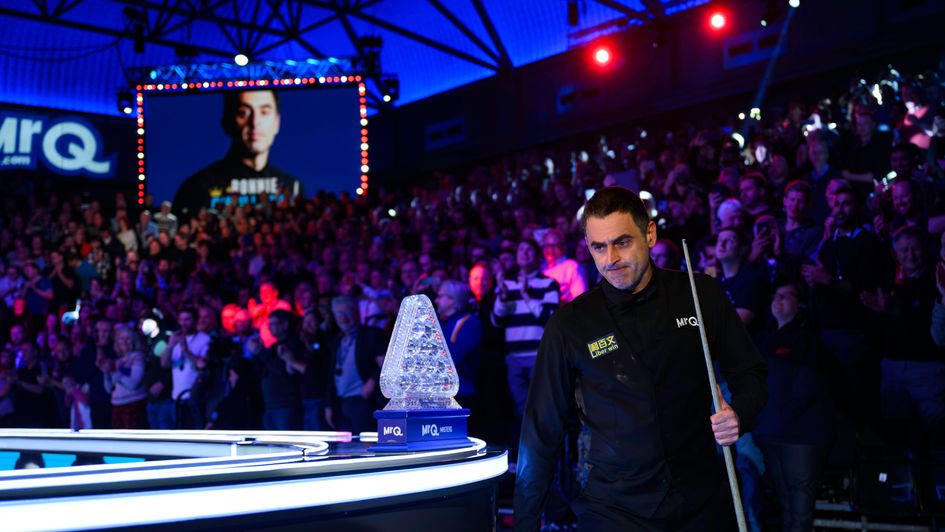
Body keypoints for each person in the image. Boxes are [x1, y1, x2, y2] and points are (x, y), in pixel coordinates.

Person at [514, 186, 767, 531]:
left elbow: (751, 372)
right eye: (598, 247)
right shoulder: (569, 324)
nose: (610, 259)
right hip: (614, 508)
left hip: (701, 498)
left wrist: (740, 414)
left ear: (649, 233)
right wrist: (526, 521)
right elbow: (540, 432)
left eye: (622, 242)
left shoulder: (699, 293)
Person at [173, 89, 303, 217]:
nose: (255, 122)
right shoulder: (197, 189)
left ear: (277, 122)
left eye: (264, 112)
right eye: (244, 113)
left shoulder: (293, 187)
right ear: (227, 122)